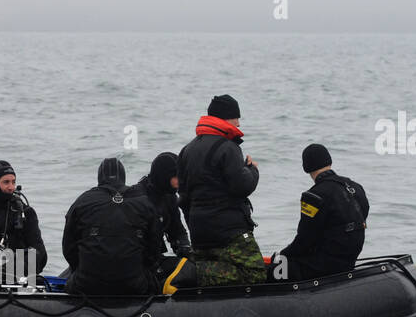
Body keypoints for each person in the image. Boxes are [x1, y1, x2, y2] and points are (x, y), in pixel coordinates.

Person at [176, 94, 266, 286]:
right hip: (229, 231)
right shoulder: (228, 147)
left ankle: (195, 273)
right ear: (226, 118)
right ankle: (194, 273)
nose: (239, 124)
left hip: (199, 231)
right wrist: (252, 170)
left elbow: (183, 199)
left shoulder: (186, 150)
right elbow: (242, 186)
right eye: (236, 118)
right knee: (255, 273)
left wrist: (194, 225)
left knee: (216, 269)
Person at [62, 157, 161, 296]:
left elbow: (68, 248)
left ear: (99, 178)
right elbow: (154, 250)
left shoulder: (82, 201)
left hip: (86, 284)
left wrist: (80, 267)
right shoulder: (143, 202)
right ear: (123, 177)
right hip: (135, 285)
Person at [274, 144, 369, 280]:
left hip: (326, 263)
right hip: (350, 259)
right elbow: (362, 217)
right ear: (329, 161)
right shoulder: (356, 187)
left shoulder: (313, 196)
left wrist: (282, 256)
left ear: (306, 167)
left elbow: (304, 239)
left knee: (274, 271)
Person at [129, 151, 191, 262]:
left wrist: (185, 248)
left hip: (155, 257)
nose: (180, 181)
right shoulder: (137, 198)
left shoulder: (169, 197)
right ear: (165, 176)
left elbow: (177, 231)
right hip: (136, 261)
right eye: (176, 176)